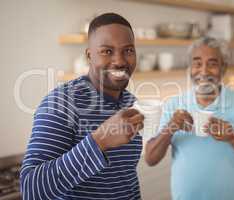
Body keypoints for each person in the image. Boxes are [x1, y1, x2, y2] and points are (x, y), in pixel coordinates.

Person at [20, 13, 145, 200]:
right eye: (107, 51)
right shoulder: (61, 103)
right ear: (89, 55)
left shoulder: (130, 102)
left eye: (128, 50)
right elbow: (31, 190)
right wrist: (99, 140)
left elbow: (125, 178)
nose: (119, 61)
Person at [145, 37, 234, 200]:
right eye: (197, 63)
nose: (204, 71)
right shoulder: (174, 104)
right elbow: (150, 159)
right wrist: (170, 127)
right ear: (190, 68)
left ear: (224, 68)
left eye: (212, 63)